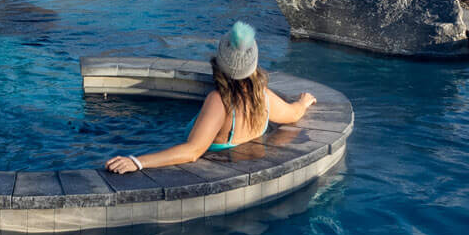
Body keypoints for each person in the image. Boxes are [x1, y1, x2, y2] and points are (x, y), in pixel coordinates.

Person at [105, 22, 315, 174]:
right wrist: (303, 102)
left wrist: (137, 162)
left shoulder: (219, 101)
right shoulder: (262, 95)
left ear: (219, 62)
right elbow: (293, 114)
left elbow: (193, 151)